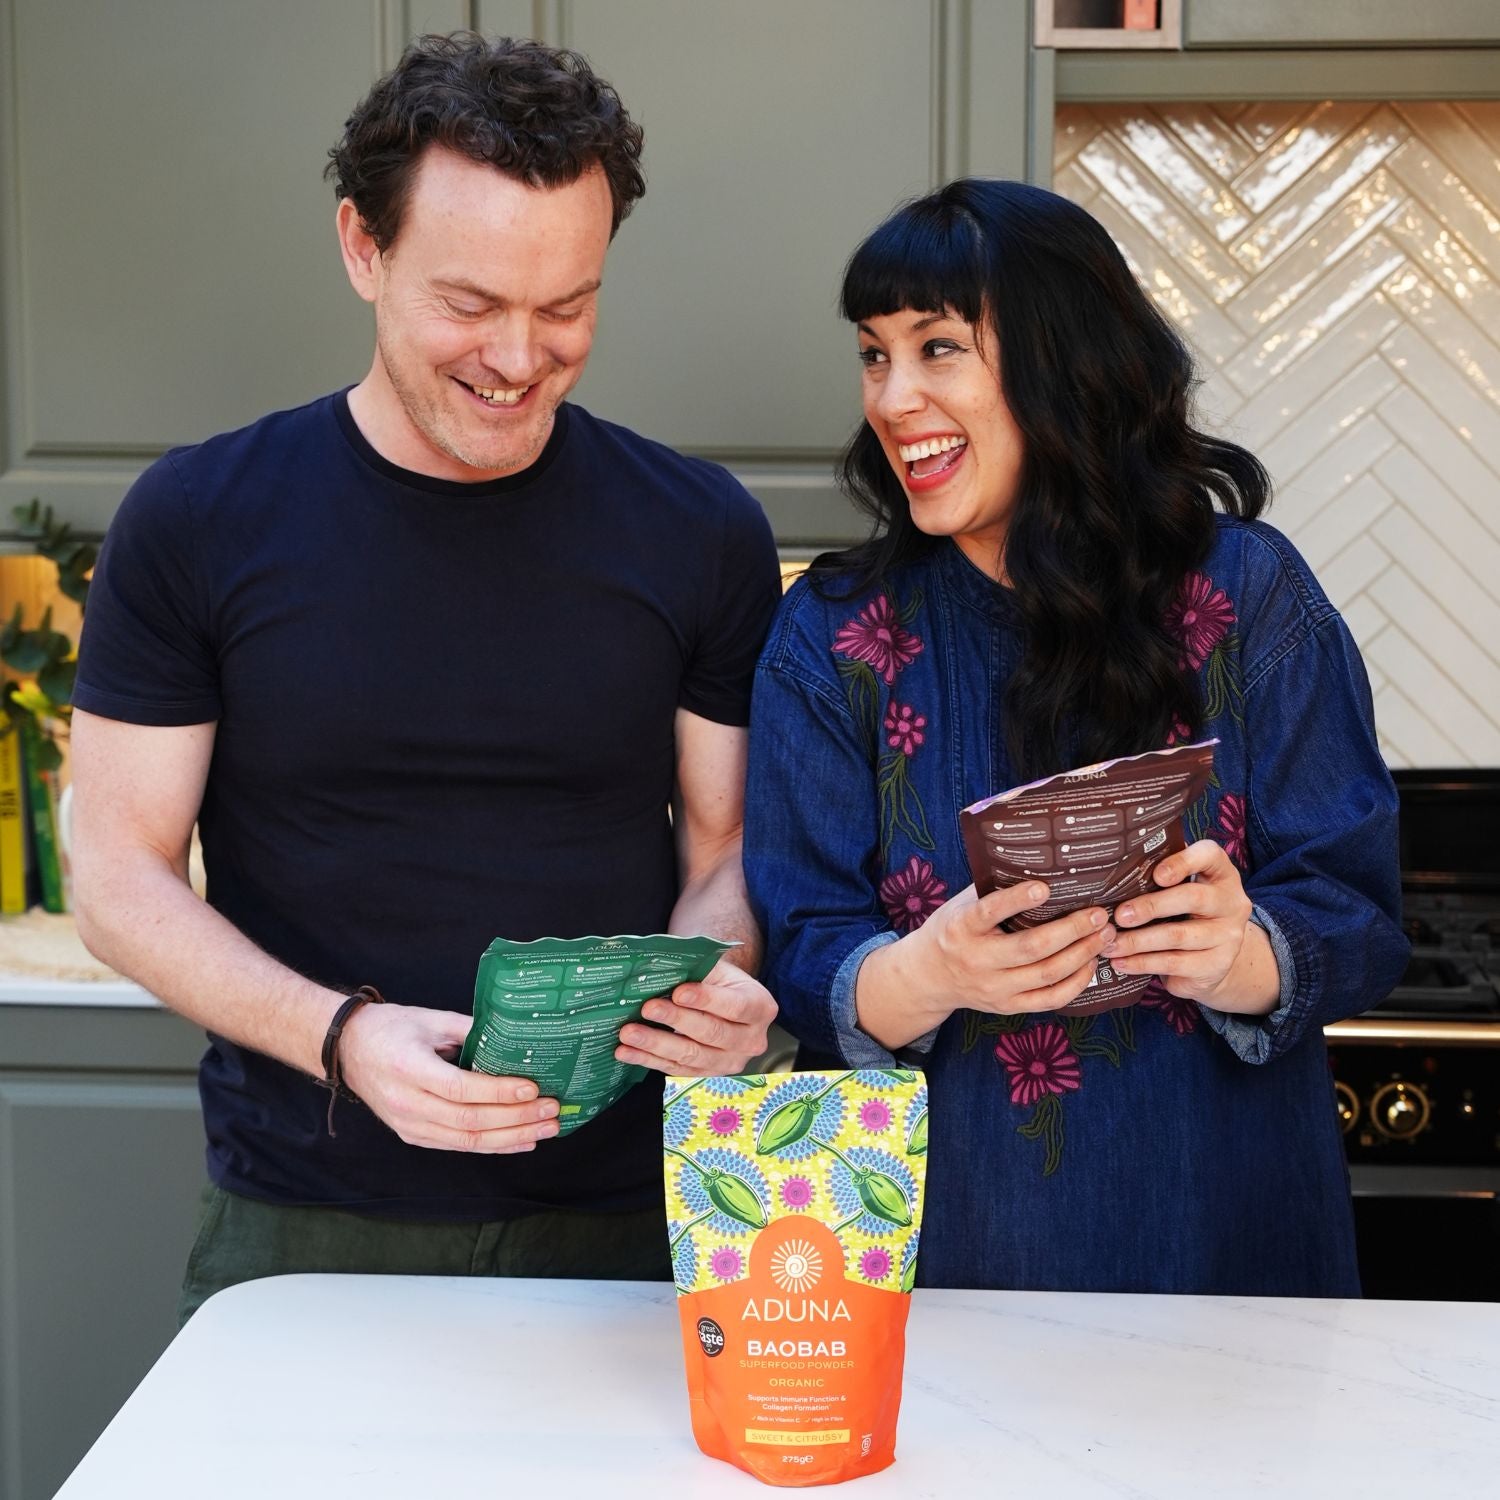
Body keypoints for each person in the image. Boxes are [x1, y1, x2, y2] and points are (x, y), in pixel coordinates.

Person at [69, 33, 781, 1321]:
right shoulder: (198, 518)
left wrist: (704, 983)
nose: (519, 357)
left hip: (625, 1218)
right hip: (303, 1207)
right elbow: (116, 872)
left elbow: (725, 852)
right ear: (363, 248)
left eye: (566, 306)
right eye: (470, 304)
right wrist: (342, 1038)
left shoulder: (703, 530)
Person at [744, 178, 1409, 1296]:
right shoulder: (830, 637)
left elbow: (1362, 914)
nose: (894, 397)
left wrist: (1240, 957)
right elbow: (797, 956)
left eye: (938, 348)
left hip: (1227, 1258)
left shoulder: (1250, 596)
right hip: (942, 1268)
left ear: (1062, 359)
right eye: (873, 354)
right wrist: (928, 970)